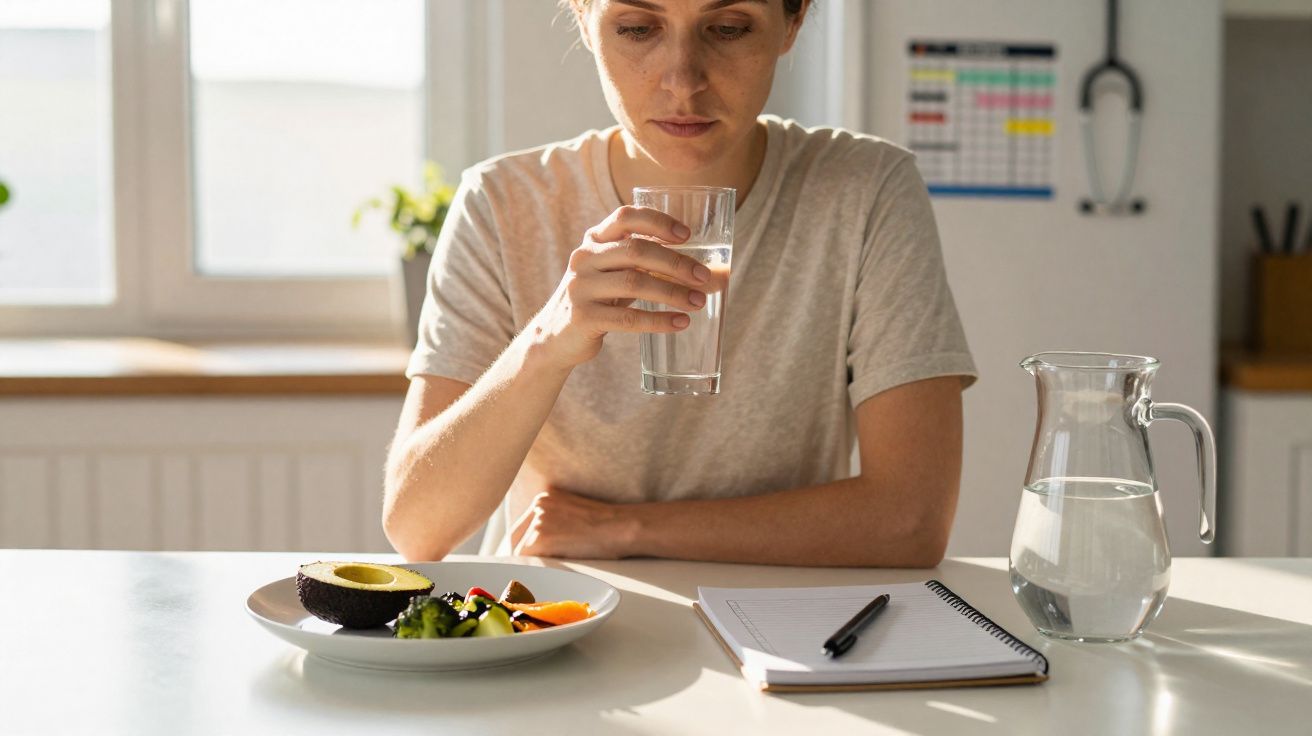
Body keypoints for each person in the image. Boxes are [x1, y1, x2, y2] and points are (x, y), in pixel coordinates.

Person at [383, 0, 976, 566]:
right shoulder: (502, 203)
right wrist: (547, 342)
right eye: (638, 28)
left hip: (779, 618)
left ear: (792, 22)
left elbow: (912, 519)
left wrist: (623, 529)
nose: (684, 82)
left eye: (730, 27)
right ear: (584, 21)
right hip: (564, 617)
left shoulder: (868, 190)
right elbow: (417, 527)